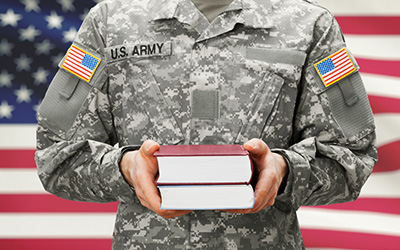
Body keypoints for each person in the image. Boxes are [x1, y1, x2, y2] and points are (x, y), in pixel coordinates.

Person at [35, 0, 378, 249]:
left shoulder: (308, 25)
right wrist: (126, 168)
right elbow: (57, 156)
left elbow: (352, 157)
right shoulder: (111, 23)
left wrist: (284, 170)